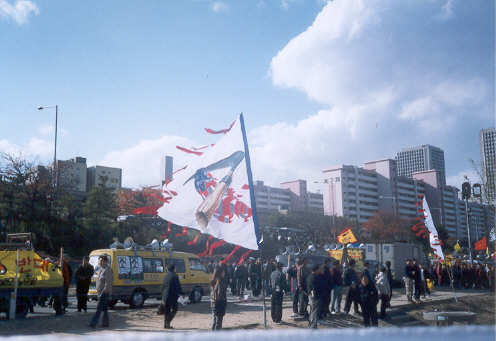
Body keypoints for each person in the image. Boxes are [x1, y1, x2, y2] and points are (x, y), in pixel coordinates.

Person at [87, 255, 113, 329]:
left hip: (104, 292)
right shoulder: (102, 269)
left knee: (98, 309)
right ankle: (106, 323)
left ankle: (92, 324)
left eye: (101, 261)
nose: (99, 262)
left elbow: (108, 282)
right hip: (100, 291)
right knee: (104, 310)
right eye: (99, 261)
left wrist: (105, 291)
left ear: (105, 261)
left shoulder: (108, 270)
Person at [162, 263, 186, 329]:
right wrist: (183, 294)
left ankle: (166, 325)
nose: (176, 269)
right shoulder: (175, 276)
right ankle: (168, 321)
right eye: (175, 268)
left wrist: (163, 296)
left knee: (167, 310)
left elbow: (163, 286)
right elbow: (178, 287)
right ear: (173, 269)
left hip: (165, 295)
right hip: (172, 296)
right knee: (175, 309)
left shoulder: (166, 276)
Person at [210, 266, 227, 330]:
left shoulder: (212, 281)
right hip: (219, 304)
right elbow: (220, 294)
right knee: (218, 323)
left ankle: (212, 336)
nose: (224, 274)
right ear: (220, 273)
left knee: (214, 321)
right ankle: (216, 337)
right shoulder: (220, 282)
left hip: (213, 303)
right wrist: (224, 302)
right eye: (223, 272)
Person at [306, 264, 322, 329]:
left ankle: (311, 324)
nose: (320, 270)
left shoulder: (310, 276)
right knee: (315, 311)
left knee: (312, 310)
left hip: (311, 295)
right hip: (315, 296)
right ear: (316, 270)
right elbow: (314, 288)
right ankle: (313, 326)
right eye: (319, 269)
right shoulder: (314, 277)